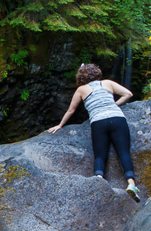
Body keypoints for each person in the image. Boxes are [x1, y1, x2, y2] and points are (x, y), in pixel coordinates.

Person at [47, 63, 140, 201]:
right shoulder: (108, 83)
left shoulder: (81, 89)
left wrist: (60, 125)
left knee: (100, 156)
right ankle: (131, 184)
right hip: (117, 119)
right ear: (97, 72)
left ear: (81, 76)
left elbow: (71, 110)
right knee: (123, 153)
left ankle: (99, 180)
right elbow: (128, 94)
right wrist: (115, 104)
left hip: (98, 122)